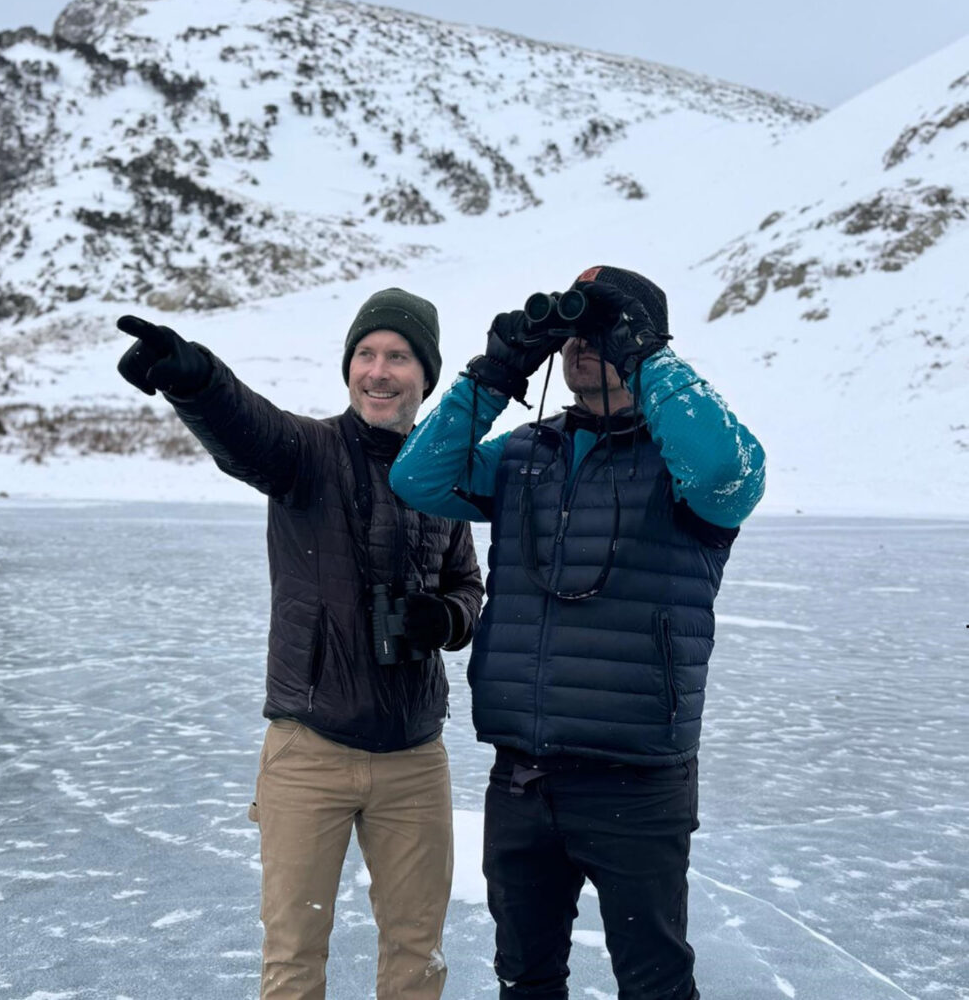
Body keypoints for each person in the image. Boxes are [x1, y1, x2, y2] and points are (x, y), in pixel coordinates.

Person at [389, 266, 766, 1000]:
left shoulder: (687, 465)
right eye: (574, 334)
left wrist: (649, 358)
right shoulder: (528, 453)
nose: (582, 346)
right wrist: (492, 374)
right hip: (523, 777)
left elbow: (729, 470)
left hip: (636, 783)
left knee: (654, 983)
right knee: (525, 979)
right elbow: (419, 480)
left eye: (604, 331)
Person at [115, 288, 484, 1000]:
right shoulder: (306, 454)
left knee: (418, 956)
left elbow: (468, 586)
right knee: (292, 959)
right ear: (349, 368)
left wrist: (444, 619)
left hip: (413, 758)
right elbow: (245, 428)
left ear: (426, 376)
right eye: (366, 355)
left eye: (399, 357)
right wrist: (195, 379)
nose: (379, 371)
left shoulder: (444, 476)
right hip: (308, 749)